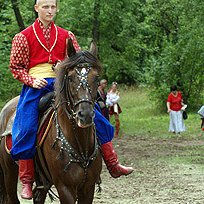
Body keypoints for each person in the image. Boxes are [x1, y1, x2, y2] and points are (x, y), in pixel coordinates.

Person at [9, 0, 133, 199]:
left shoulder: (67, 35)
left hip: (65, 84)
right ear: (36, 8)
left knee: (97, 117)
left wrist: (65, 66)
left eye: (52, 7)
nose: (49, 11)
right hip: (36, 86)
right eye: (45, 7)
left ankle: (112, 162)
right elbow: (16, 67)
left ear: (56, 8)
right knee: (26, 123)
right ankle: (27, 179)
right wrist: (32, 80)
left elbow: (79, 61)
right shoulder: (23, 37)